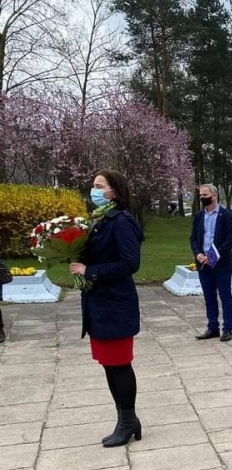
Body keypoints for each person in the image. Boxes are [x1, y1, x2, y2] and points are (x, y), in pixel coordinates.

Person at [69, 170, 145, 447]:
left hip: (115, 304)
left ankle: (128, 421)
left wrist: (90, 270)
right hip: (98, 304)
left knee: (120, 365)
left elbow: (130, 263)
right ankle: (126, 419)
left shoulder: (121, 221)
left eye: (100, 186)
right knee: (109, 365)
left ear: (114, 191)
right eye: (93, 185)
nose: (94, 190)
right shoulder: (99, 219)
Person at [190, 184, 232, 342]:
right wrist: (198, 254)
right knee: (209, 297)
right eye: (200, 195)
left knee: (225, 296)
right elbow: (193, 238)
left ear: (214, 196)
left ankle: (228, 328)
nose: (202, 198)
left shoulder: (227, 215)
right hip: (203, 264)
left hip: (221, 264)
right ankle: (212, 327)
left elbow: (231, 239)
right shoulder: (198, 216)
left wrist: (213, 256)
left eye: (205, 195)